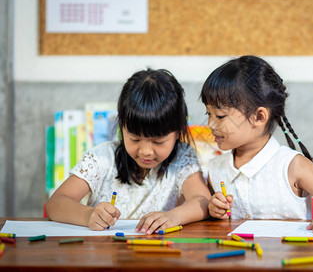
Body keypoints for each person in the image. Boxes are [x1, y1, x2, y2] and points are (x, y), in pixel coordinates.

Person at [201, 55, 313, 234]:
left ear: (259, 117)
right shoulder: (215, 169)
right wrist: (215, 210)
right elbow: (219, 222)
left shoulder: (293, 166)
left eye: (220, 116)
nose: (211, 124)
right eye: (208, 114)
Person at [46, 69, 211, 234]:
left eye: (158, 141)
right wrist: (89, 215)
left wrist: (173, 217)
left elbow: (203, 201)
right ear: (121, 128)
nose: (146, 151)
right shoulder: (102, 158)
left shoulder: (182, 157)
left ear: (178, 132)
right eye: (135, 139)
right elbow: (55, 204)